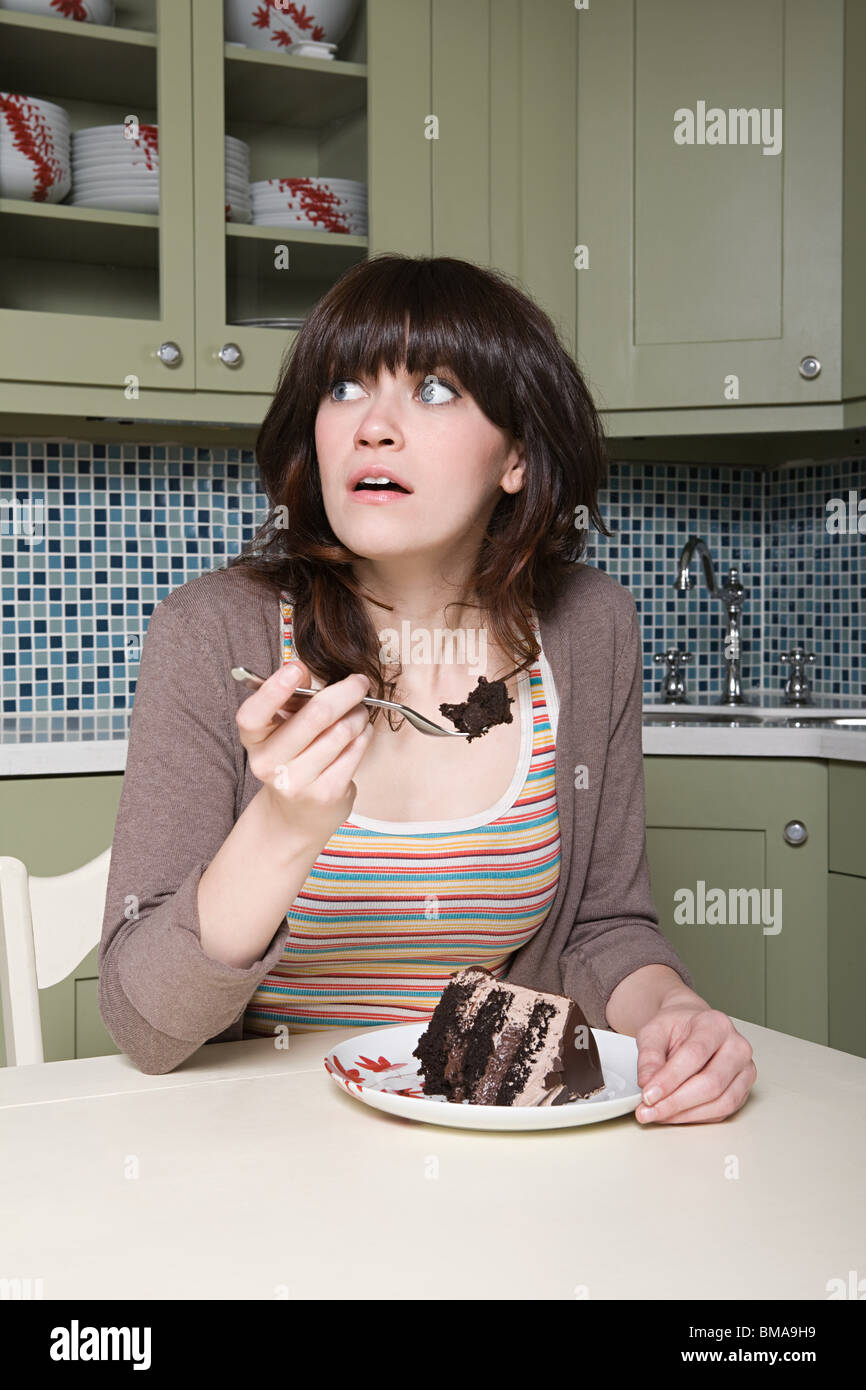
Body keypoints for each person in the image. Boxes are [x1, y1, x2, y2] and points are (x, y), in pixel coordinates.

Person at [99, 253, 756, 1122]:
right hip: (257, 1149)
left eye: (435, 389)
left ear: (517, 455)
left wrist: (674, 1013)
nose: (373, 426)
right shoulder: (214, 634)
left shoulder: (588, 630)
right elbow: (144, 1025)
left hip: (499, 1142)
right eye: (343, 388)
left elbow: (604, 926)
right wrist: (283, 826)